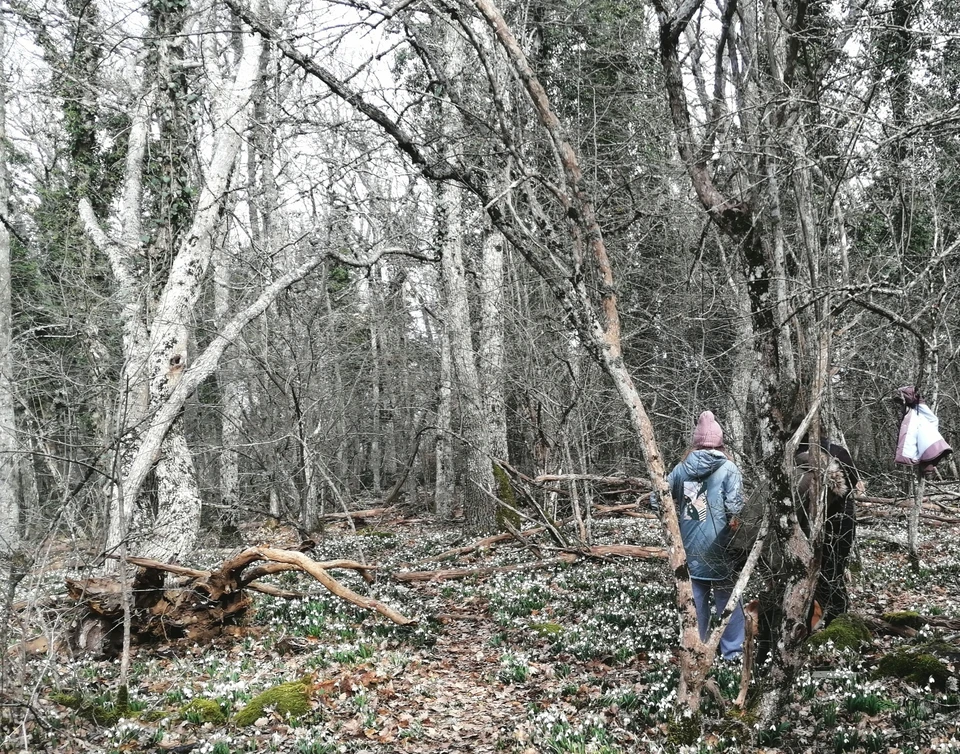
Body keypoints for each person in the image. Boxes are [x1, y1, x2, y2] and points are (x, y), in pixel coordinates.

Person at [654, 410, 746, 660]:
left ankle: (698, 649)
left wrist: (674, 527)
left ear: (695, 442)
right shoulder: (728, 468)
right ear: (720, 442)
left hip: (689, 549)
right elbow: (736, 509)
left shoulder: (683, 469)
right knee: (728, 599)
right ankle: (733, 653)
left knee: (696, 600)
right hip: (722, 547)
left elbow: (657, 500)